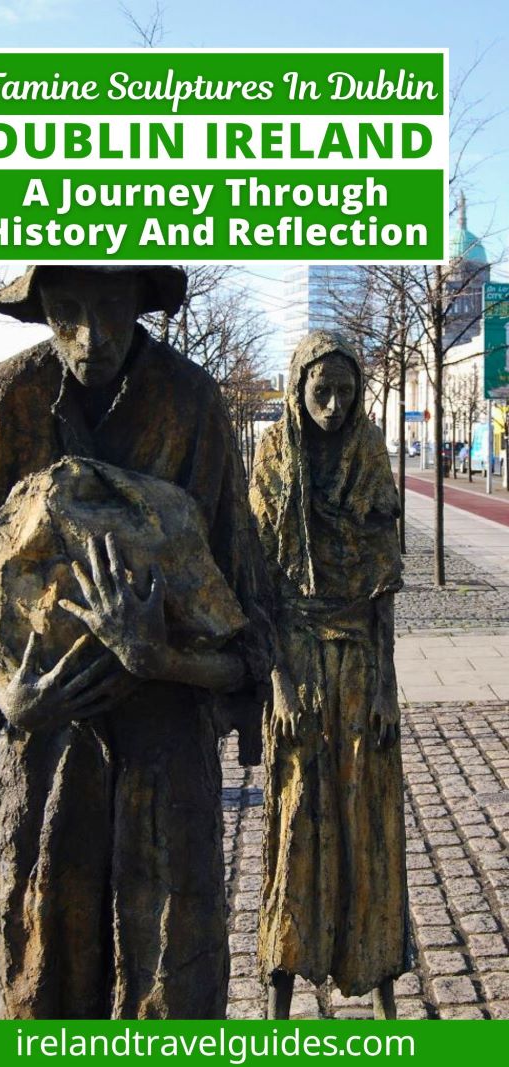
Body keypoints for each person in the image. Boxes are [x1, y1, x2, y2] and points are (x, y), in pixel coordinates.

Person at [0, 264, 270, 1020]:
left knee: (174, 993)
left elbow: (252, 631)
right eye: (67, 310)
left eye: (114, 307)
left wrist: (161, 657)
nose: (92, 336)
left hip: (167, 760)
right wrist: (7, 695)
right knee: (47, 986)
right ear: (41, 309)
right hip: (49, 762)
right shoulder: (3, 404)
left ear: (140, 302)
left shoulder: (192, 403)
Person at [249, 329, 410, 1021]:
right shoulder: (273, 460)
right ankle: (283, 982)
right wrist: (278, 682)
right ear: (296, 387)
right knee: (295, 817)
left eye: (346, 391)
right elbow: (258, 585)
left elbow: (382, 590)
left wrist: (386, 687)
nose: (334, 405)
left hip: (360, 665)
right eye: (322, 391)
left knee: (369, 823)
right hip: (297, 663)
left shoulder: (369, 455)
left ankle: (380, 984)